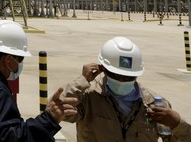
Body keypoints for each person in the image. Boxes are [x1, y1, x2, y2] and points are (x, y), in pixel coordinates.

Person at [0, 20, 77, 141]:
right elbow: (8, 138)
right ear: (8, 60)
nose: (20, 64)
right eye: (20, 59)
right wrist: (48, 120)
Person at [63, 36, 191, 141]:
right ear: (103, 69)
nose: (122, 81)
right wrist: (81, 81)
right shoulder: (88, 98)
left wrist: (177, 124)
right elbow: (58, 112)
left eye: (128, 77)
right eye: (116, 76)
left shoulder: (155, 104)